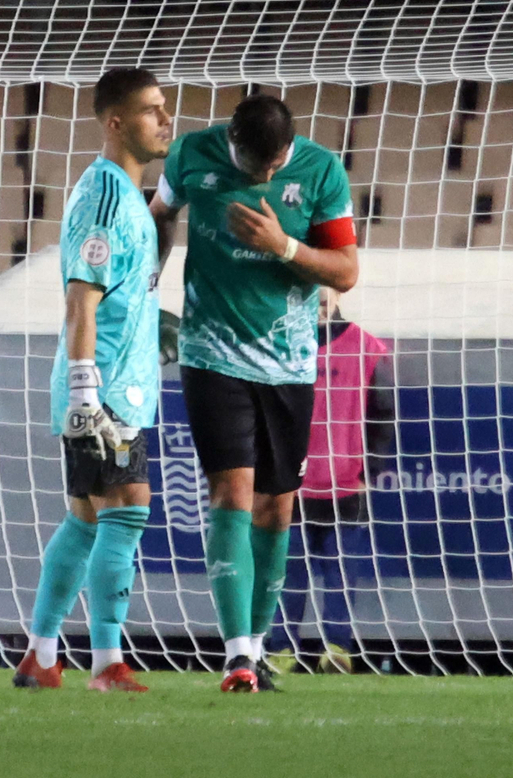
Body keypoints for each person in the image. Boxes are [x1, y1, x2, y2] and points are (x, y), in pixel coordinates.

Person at [150, 94, 359, 692]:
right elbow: (161, 212)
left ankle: (260, 648)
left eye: (275, 164)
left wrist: (284, 247)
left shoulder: (320, 170)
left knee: (277, 506)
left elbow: (345, 271)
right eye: (254, 164)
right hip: (211, 353)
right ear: (232, 141)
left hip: (289, 363)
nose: (265, 175)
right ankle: (237, 654)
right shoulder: (193, 152)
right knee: (231, 491)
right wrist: (149, 274)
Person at [12, 67, 171, 693]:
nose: (164, 120)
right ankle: (106, 664)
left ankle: (41, 656)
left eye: (163, 108)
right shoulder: (106, 197)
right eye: (151, 110)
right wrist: (85, 395)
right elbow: (82, 299)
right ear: (115, 122)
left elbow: (123, 295)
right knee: (127, 513)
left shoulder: (128, 195)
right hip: (104, 394)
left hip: (119, 385)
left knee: (84, 521)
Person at [266, 288, 393, 675]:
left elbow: (382, 416)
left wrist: (368, 472)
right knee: (287, 574)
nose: (320, 294)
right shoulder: (278, 345)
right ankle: (281, 650)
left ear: (340, 290)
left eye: (327, 285)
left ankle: (336, 650)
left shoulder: (366, 348)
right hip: (291, 483)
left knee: (340, 575)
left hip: (345, 484)